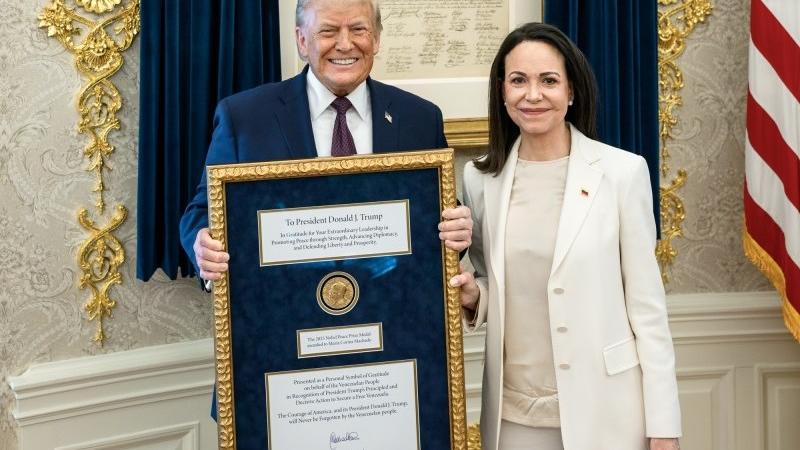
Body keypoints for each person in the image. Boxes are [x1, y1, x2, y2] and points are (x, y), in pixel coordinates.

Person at [449, 23, 681, 450]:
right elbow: (491, 284)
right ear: (502, 91)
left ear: (571, 91)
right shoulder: (480, 179)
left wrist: (664, 427)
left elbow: (648, 309)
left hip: (608, 410)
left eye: (549, 81)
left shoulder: (622, 173)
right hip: (512, 416)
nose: (532, 95)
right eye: (518, 81)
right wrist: (471, 296)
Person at [179, 0, 472, 280]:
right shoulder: (244, 118)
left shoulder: (419, 118)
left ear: (377, 38)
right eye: (328, 31)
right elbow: (204, 211)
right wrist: (203, 244)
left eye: (359, 29)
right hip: (284, 313)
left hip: (391, 309)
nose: (345, 44)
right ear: (302, 41)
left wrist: (457, 231)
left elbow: (437, 215)